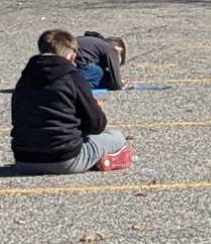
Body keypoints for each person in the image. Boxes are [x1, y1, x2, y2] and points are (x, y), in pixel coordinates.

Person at [12, 29, 132, 172]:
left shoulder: (24, 80)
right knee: (117, 137)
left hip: (24, 160)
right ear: (71, 55)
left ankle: (92, 159)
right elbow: (97, 124)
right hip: (65, 158)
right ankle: (100, 160)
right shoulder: (72, 77)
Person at [42, 28, 127, 91]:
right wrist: (117, 81)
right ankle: (70, 86)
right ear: (119, 50)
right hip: (73, 63)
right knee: (99, 73)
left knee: (98, 72)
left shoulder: (96, 44)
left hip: (65, 60)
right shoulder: (111, 50)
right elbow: (117, 85)